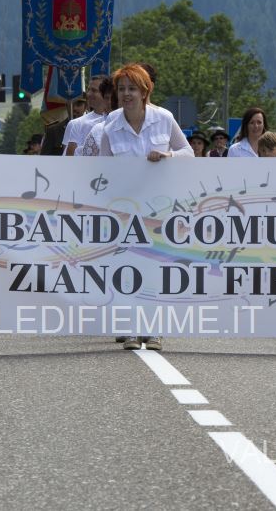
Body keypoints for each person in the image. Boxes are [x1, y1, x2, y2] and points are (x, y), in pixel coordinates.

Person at [96, 63, 192, 351]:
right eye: (122, 89)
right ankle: (131, 327)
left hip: (160, 207)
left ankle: (154, 328)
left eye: (132, 89)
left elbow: (188, 152)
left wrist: (169, 155)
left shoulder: (164, 118)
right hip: (124, 208)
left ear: (145, 91)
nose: (126, 94)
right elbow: (101, 170)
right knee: (127, 266)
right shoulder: (109, 127)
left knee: (155, 265)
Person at [63, 75, 113, 156]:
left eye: (94, 90)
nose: (89, 94)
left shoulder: (118, 122)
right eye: (88, 90)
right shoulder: (76, 124)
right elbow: (69, 159)